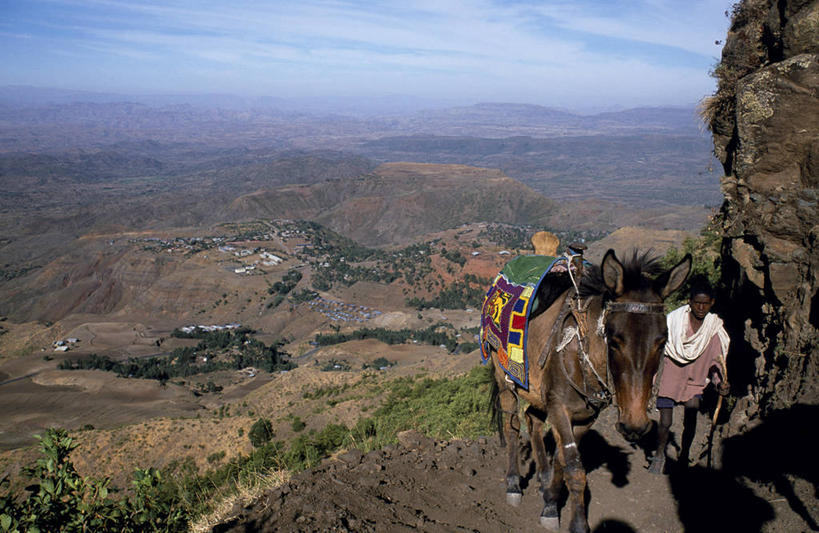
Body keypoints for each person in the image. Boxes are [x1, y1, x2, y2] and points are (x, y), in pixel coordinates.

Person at [648, 277, 730, 474]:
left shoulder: (713, 330)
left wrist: (720, 383)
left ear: (712, 303)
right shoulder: (673, 322)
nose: (701, 307)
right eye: (697, 303)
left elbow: (716, 361)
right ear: (690, 302)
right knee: (665, 422)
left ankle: (684, 455)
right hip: (669, 377)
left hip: (694, 381)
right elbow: (657, 349)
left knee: (691, 419)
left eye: (705, 303)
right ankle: (659, 454)